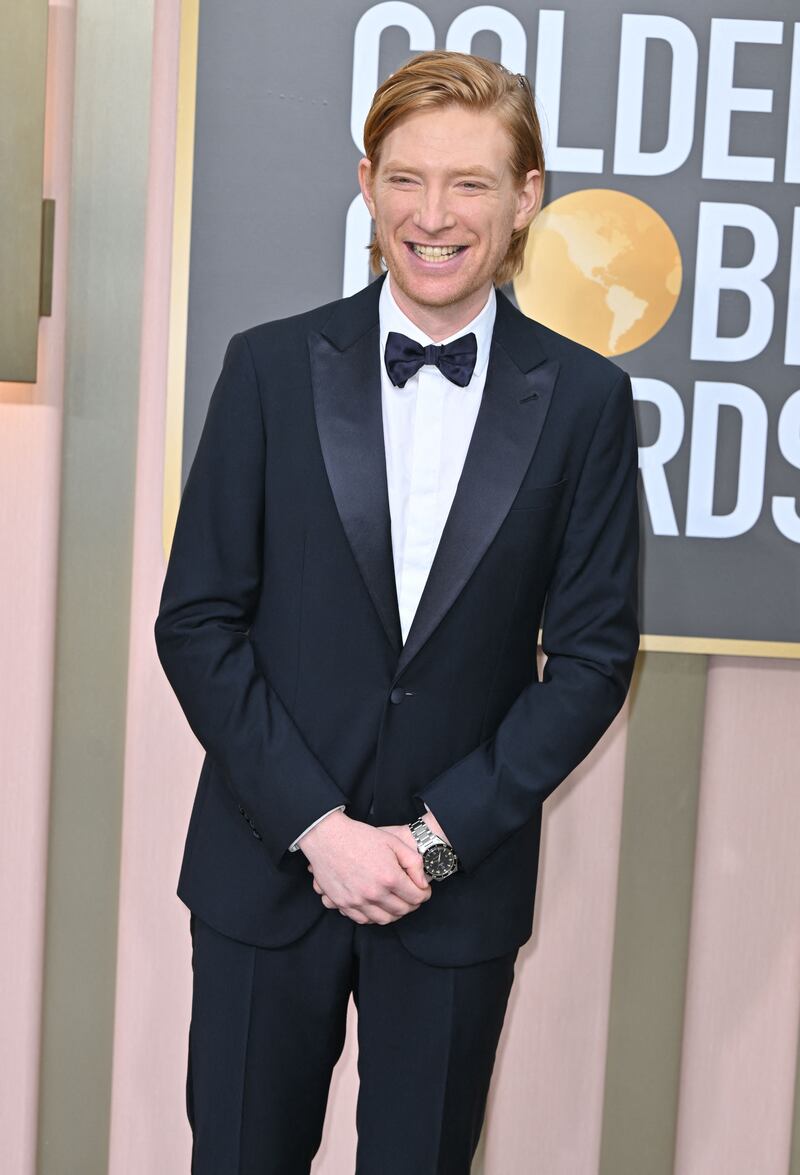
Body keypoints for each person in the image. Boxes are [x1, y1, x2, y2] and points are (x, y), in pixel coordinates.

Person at [154, 49, 639, 1175]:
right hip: (265, 867)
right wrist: (318, 826)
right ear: (367, 183)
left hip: (454, 892)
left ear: (525, 197)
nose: (433, 215)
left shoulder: (585, 401)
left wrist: (433, 840)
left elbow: (590, 659)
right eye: (408, 178)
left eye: (470, 183)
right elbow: (198, 620)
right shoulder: (268, 368)